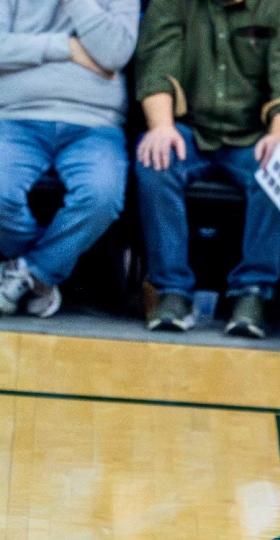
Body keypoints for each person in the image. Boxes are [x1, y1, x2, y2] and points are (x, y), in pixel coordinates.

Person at [134, 0, 280, 338]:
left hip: (252, 136)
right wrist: (161, 126)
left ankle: (253, 292)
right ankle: (172, 290)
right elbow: (157, 67)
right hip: (188, 129)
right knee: (154, 160)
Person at [0, 0, 139, 318]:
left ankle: (30, 274)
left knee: (101, 196)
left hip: (95, 125)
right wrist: (67, 47)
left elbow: (115, 52)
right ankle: (37, 278)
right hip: (15, 118)